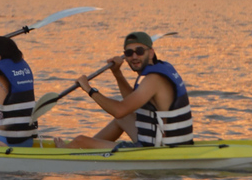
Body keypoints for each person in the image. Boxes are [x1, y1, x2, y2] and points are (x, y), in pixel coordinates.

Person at [54, 31, 193, 149]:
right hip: (168, 141)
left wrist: (89, 89)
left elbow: (119, 110)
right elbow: (131, 104)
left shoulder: (153, 79)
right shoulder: (162, 68)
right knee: (122, 120)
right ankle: (86, 151)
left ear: (151, 53)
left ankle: (75, 150)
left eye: (139, 51)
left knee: (80, 140)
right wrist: (117, 73)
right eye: (129, 53)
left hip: (159, 149)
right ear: (124, 56)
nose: (134, 57)